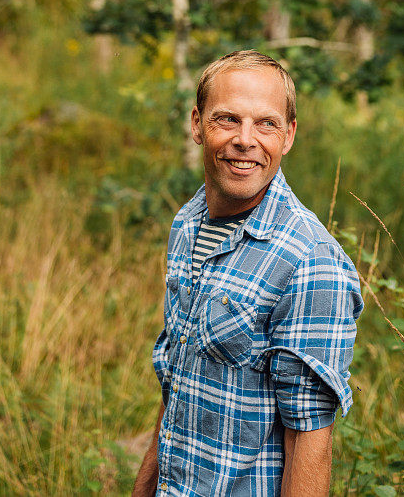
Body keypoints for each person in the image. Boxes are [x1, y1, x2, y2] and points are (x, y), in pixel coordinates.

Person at [132, 50, 363, 497]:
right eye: (227, 120)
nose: (245, 139)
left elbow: (308, 438)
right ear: (196, 124)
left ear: (289, 135)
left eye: (266, 123)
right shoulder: (187, 222)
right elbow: (178, 387)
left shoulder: (311, 262)